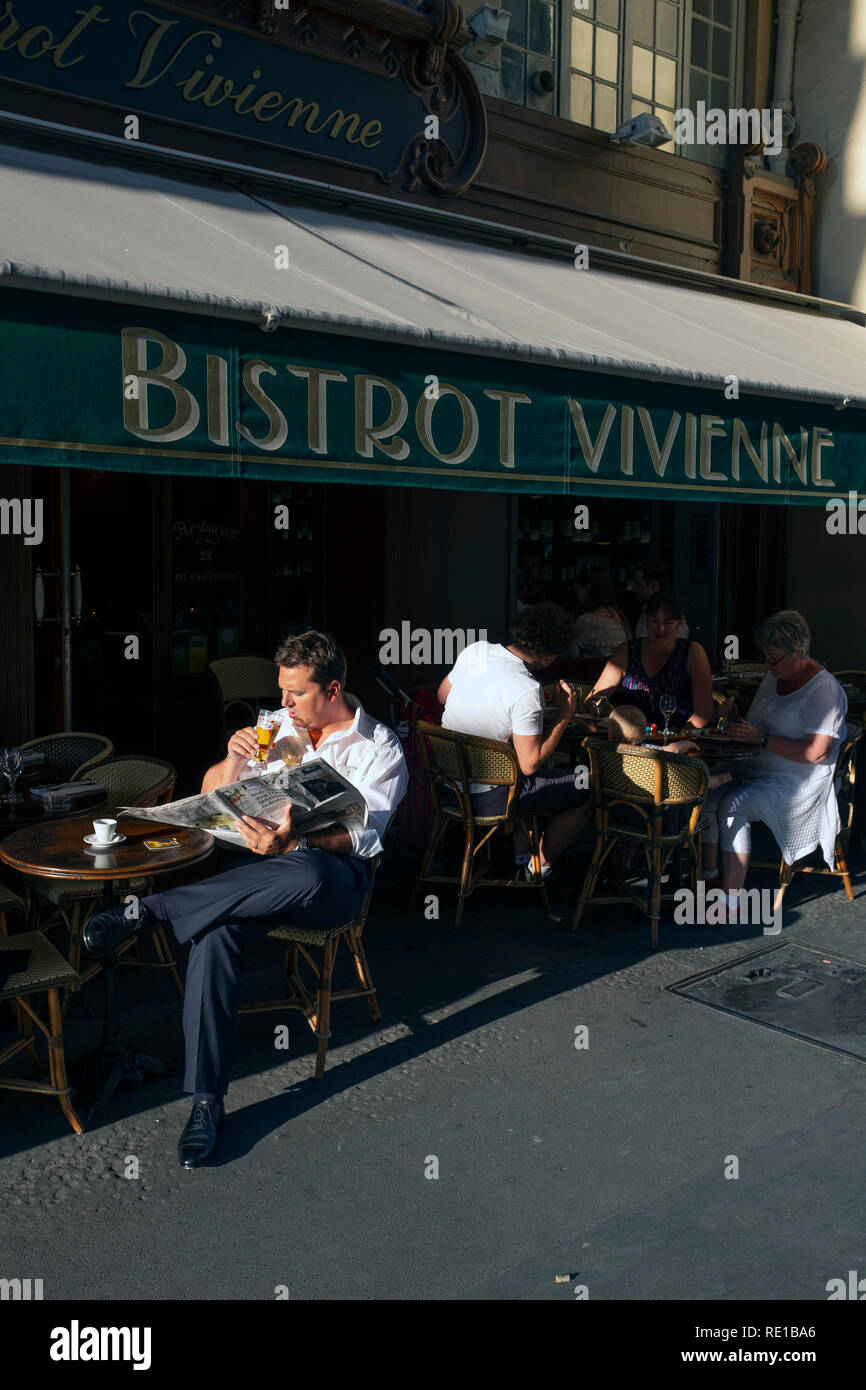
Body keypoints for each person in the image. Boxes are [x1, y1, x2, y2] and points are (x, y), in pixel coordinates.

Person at [84, 631, 408, 1168]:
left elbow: (366, 836)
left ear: (332, 689)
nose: (282, 704)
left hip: (333, 882)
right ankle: (206, 1103)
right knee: (214, 933)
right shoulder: (276, 728)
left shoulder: (379, 746)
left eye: (295, 694)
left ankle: (157, 909)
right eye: (280, 691)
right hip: (259, 876)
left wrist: (299, 838)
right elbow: (212, 792)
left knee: (307, 865)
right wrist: (234, 763)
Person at [698, 610, 847, 922]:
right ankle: (709, 878)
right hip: (757, 767)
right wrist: (735, 720)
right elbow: (756, 729)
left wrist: (762, 739)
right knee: (706, 790)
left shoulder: (824, 690)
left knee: (733, 803)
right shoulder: (774, 676)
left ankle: (731, 901)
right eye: (765, 657)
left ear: (798, 651)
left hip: (797, 782)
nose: (767, 666)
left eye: (773, 658)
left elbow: (818, 753)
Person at [437, 603, 590, 881]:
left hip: (448, 787)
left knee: (520, 774)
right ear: (546, 656)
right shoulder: (526, 689)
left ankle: (521, 857)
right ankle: (537, 868)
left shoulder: (477, 651)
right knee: (589, 787)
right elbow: (530, 764)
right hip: (489, 798)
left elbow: (443, 696)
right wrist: (564, 716)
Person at [589, 591, 713, 731]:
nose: (660, 629)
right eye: (654, 621)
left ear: (679, 623)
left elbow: (704, 713)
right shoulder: (627, 651)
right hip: (633, 742)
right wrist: (601, 706)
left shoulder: (692, 652)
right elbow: (593, 698)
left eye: (668, 622)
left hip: (681, 743)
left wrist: (676, 740)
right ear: (646, 620)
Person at [570, 564, 631, 657]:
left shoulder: (586, 621)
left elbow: (569, 655)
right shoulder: (620, 617)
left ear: (587, 588)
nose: (576, 593)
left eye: (578, 588)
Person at [633, 561, 689, 639]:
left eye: (638, 584)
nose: (634, 588)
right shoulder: (646, 610)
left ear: (654, 586)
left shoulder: (670, 612)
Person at [516, 543, 548, 608]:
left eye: (534, 566)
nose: (529, 571)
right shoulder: (516, 595)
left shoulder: (549, 595)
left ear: (542, 569)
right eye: (525, 566)